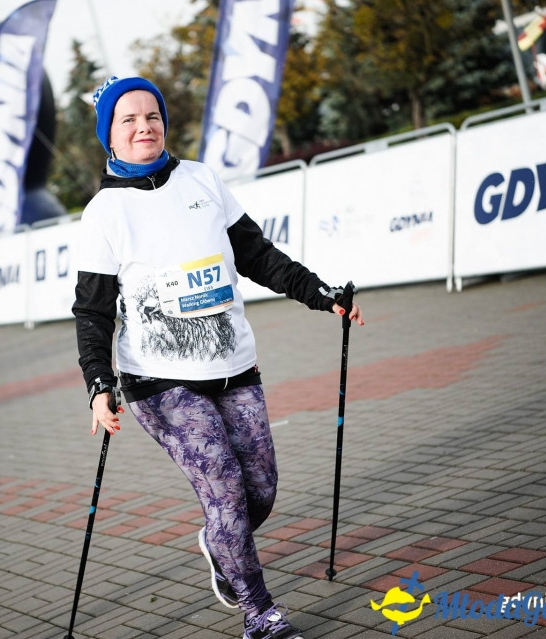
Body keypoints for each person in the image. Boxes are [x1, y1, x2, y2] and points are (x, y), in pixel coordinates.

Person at [72, 76, 365, 639]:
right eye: (128, 120)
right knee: (225, 489)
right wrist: (98, 382)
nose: (144, 127)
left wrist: (319, 293)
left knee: (261, 491)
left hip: (233, 365)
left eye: (152, 116)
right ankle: (260, 614)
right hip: (158, 380)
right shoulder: (104, 212)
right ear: (109, 134)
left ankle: (219, 544)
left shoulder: (201, 179)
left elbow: (256, 254)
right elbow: (93, 310)